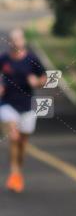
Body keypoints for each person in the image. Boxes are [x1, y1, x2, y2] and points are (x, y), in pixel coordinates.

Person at [0, 28, 47, 192]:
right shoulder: (4, 58)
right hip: (7, 104)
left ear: (23, 41)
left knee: (22, 143)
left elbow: (45, 78)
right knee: (13, 136)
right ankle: (14, 173)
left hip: (27, 106)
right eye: (12, 40)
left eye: (18, 39)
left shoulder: (32, 59)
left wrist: (37, 82)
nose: (15, 42)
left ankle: (18, 171)